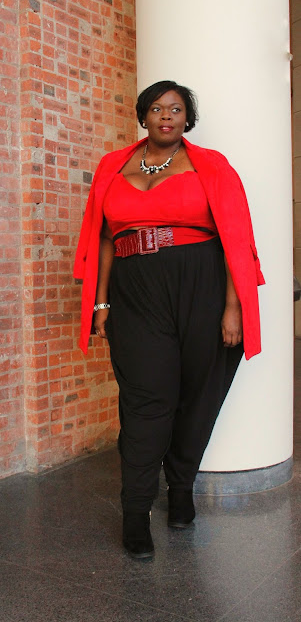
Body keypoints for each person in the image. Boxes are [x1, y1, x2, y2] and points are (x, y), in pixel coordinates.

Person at [74, 80, 264, 560]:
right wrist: (100, 303)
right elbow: (103, 236)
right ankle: (136, 512)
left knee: (198, 396)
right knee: (146, 401)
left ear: (186, 119)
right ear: (143, 116)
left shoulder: (212, 165)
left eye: (175, 109)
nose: (166, 116)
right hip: (135, 291)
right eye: (157, 108)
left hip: (201, 285)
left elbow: (235, 237)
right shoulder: (112, 166)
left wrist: (232, 307)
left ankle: (180, 489)